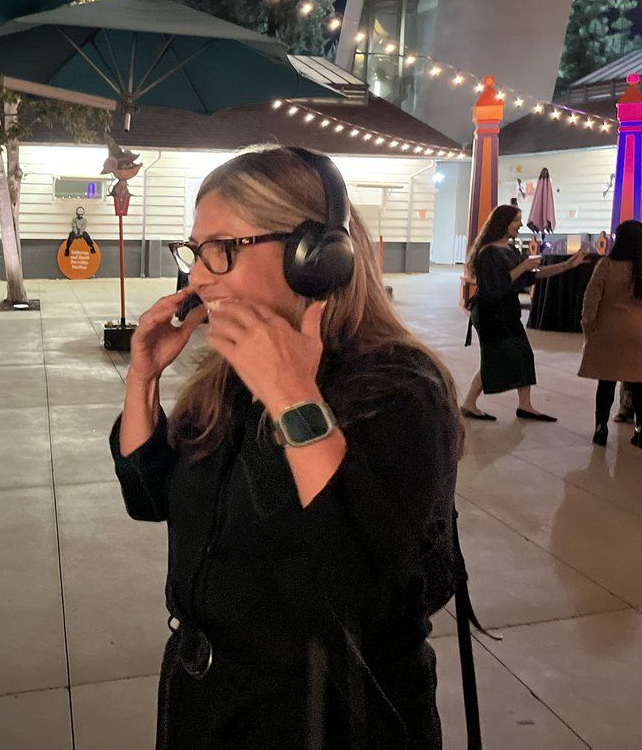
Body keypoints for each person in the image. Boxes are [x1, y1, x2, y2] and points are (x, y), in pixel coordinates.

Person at [112, 146, 461, 749]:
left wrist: (292, 397)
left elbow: (355, 589)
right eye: (195, 250)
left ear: (314, 259)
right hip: (208, 699)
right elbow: (150, 497)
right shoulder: (228, 378)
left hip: (326, 713)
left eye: (222, 248)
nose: (197, 274)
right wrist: (142, 379)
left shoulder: (400, 388)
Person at [461, 204, 587, 422]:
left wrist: (567, 265)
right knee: (495, 358)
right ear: (504, 223)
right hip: (490, 313)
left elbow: (532, 276)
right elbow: (496, 286)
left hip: (507, 312)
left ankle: (525, 405)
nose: (520, 225)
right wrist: (524, 266)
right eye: (516, 220)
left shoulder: (510, 250)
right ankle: (469, 404)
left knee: (524, 355)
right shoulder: (488, 253)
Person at [578, 219, 642, 447]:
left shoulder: (607, 265)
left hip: (608, 330)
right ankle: (639, 430)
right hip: (638, 333)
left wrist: (588, 323)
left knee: (606, 382)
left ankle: (600, 428)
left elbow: (591, 297)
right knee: (638, 383)